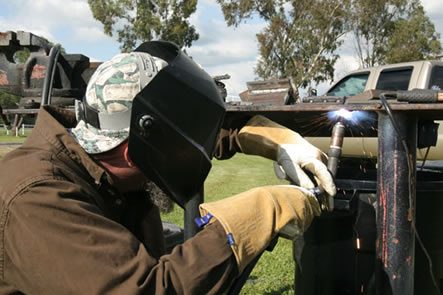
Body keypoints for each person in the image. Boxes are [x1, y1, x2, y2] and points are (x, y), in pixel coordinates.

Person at [0, 41, 335, 294]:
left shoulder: (96, 141)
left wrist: (260, 135)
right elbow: (151, 289)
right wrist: (249, 220)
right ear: (135, 151)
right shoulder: (38, 201)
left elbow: (171, 128)